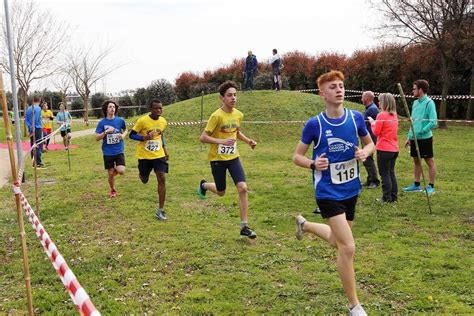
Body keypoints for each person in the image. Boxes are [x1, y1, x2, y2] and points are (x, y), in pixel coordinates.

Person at [293, 70, 373, 316]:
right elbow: (297, 156)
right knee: (347, 247)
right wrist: (313, 164)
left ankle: (305, 226)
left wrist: (365, 152)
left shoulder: (356, 118)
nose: (339, 90)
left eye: (341, 86)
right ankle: (354, 305)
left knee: (337, 240)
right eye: (332, 87)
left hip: (351, 189)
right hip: (327, 192)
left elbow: (371, 143)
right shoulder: (314, 124)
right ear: (322, 94)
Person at [197, 80, 258, 239]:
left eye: (235, 95)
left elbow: (236, 132)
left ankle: (244, 226)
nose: (233, 98)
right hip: (217, 158)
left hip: (233, 157)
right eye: (229, 95)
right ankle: (204, 185)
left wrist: (248, 141)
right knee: (221, 192)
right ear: (222, 98)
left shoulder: (238, 114)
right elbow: (203, 137)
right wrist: (221, 141)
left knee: (243, 188)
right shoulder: (216, 116)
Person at [129, 99, 169, 220]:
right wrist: (144, 137)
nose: (159, 110)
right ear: (151, 109)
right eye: (156, 108)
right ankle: (142, 174)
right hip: (144, 156)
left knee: (161, 178)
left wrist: (165, 148)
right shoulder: (142, 121)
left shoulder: (163, 121)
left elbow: (161, 135)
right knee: (144, 179)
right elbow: (132, 135)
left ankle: (160, 210)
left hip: (159, 155)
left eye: (160, 108)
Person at [402, 79, 438, 195]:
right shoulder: (415, 103)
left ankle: (431, 186)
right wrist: (409, 136)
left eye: (414, 89)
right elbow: (412, 122)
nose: (412, 91)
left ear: (420, 90)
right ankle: (416, 185)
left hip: (425, 138)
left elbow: (433, 122)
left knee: (429, 161)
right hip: (414, 138)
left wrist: (422, 131)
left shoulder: (429, 103)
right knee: (416, 161)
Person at [368, 93, 399, 203]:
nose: (378, 103)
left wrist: (372, 123)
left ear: (384, 102)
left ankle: (386, 197)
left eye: (380, 101)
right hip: (394, 148)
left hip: (384, 149)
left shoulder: (381, 115)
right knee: (391, 172)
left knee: (384, 174)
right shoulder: (394, 115)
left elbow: (376, 132)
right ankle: (393, 196)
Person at [95, 100, 127, 198]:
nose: (112, 108)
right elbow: (97, 138)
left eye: (113, 107)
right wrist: (106, 132)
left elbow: (126, 129)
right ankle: (113, 190)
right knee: (110, 174)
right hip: (108, 152)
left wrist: (123, 135)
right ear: (106, 109)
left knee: (121, 171)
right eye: (110, 107)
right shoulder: (102, 123)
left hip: (118, 150)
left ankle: (116, 170)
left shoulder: (120, 120)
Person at [361, 91, 380, 189]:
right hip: (368, 136)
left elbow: (362, 124)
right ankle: (370, 179)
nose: (361, 99)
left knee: (368, 158)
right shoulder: (370, 108)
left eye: (362, 97)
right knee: (366, 159)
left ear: (366, 99)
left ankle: (374, 181)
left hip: (370, 137)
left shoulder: (371, 110)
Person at [25, 96, 44, 168]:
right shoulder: (38, 108)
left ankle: (33, 161)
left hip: (31, 128)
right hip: (37, 128)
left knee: (32, 144)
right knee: (38, 145)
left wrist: (29, 128)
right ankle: (38, 162)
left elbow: (26, 119)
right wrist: (33, 128)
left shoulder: (29, 108)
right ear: (39, 100)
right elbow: (35, 119)